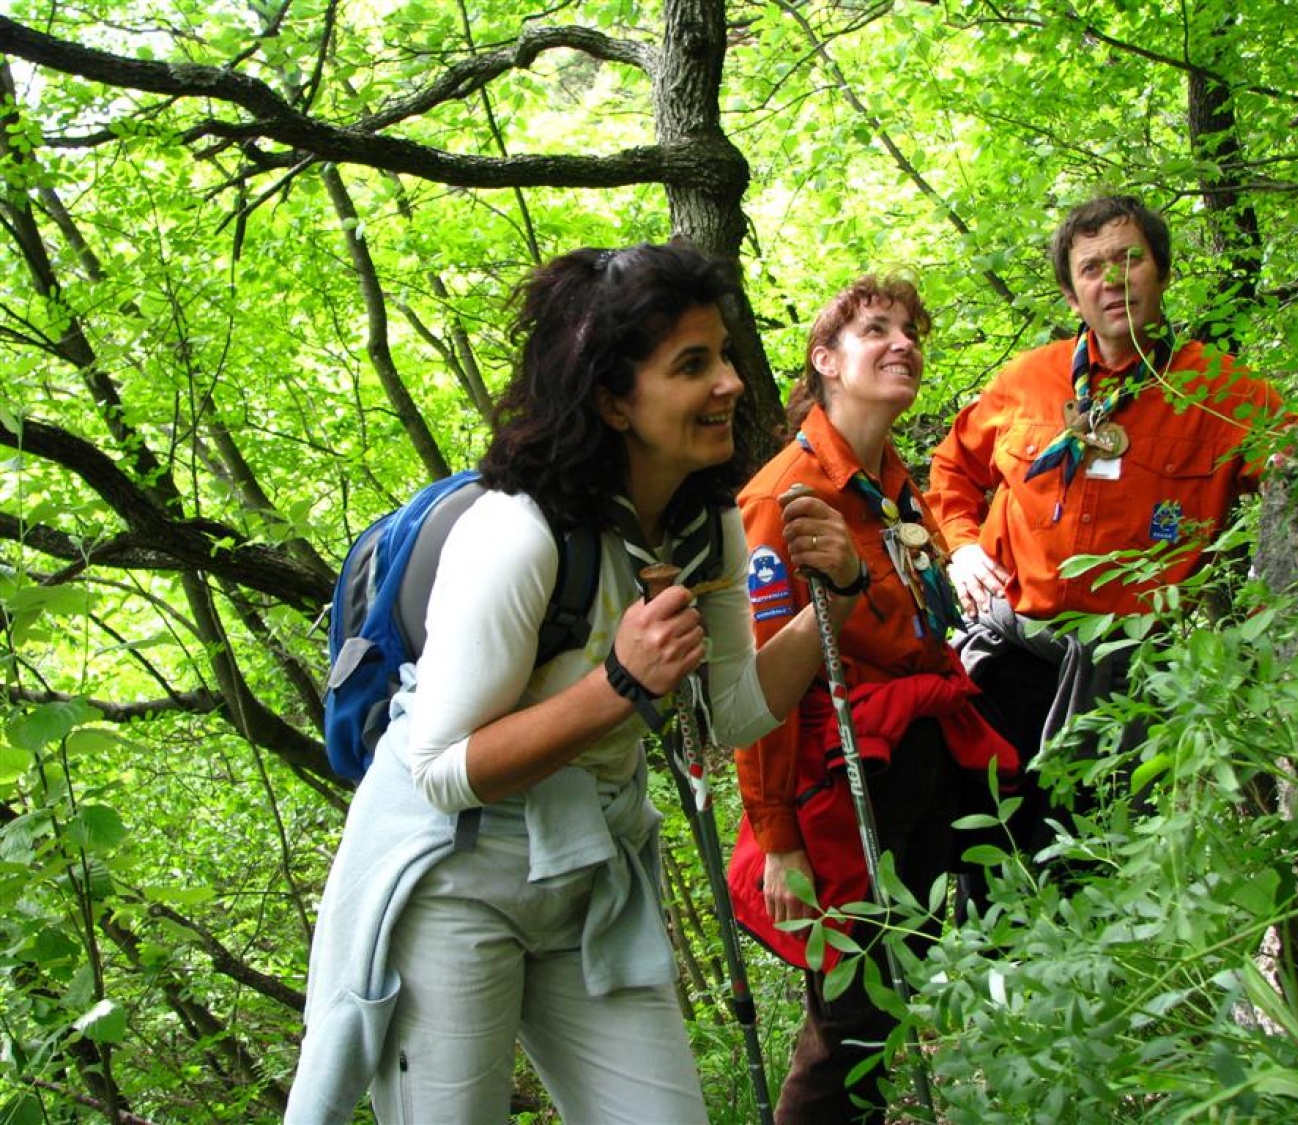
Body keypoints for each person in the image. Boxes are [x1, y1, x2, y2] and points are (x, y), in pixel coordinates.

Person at [285, 242, 865, 1124]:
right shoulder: (517, 536)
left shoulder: (704, 524)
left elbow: (736, 712)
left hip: (588, 872)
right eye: (691, 365)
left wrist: (841, 600)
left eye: (724, 358)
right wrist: (620, 684)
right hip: (455, 881)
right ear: (611, 400)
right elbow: (440, 768)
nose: (732, 384)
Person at [728, 276, 1018, 1124]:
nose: (903, 343)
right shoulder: (780, 497)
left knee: (897, 997)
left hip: (917, 766)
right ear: (825, 361)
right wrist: (777, 838)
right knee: (852, 1019)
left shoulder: (894, 486)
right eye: (875, 330)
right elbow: (759, 688)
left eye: (912, 332)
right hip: (840, 788)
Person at [926, 194, 1287, 858]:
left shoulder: (1222, 391)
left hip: (1122, 679)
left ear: (1163, 272)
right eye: (1092, 268)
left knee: (1092, 856)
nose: (1114, 280)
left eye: (1131, 259)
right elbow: (951, 465)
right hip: (1008, 659)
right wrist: (962, 544)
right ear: (1072, 293)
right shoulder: (1029, 380)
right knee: (988, 853)